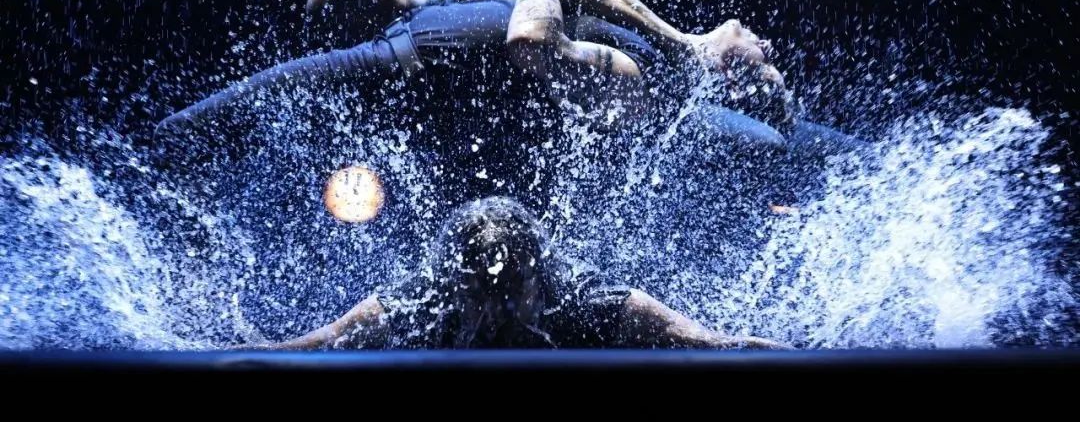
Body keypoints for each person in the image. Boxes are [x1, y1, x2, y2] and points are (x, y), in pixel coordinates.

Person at [156, 0, 790, 140]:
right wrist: (180, 128)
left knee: (796, 135)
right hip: (648, 109)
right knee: (773, 148)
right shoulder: (397, 49)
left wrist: (689, 43)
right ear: (368, 18)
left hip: (664, 77)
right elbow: (280, 82)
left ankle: (706, 65)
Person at [251, 196, 789, 350]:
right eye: (479, 293)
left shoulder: (583, 297)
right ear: (456, 283)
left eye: (510, 290)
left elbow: (705, 343)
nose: (496, 309)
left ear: (537, 278)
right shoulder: (424, 297)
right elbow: (316, 344)